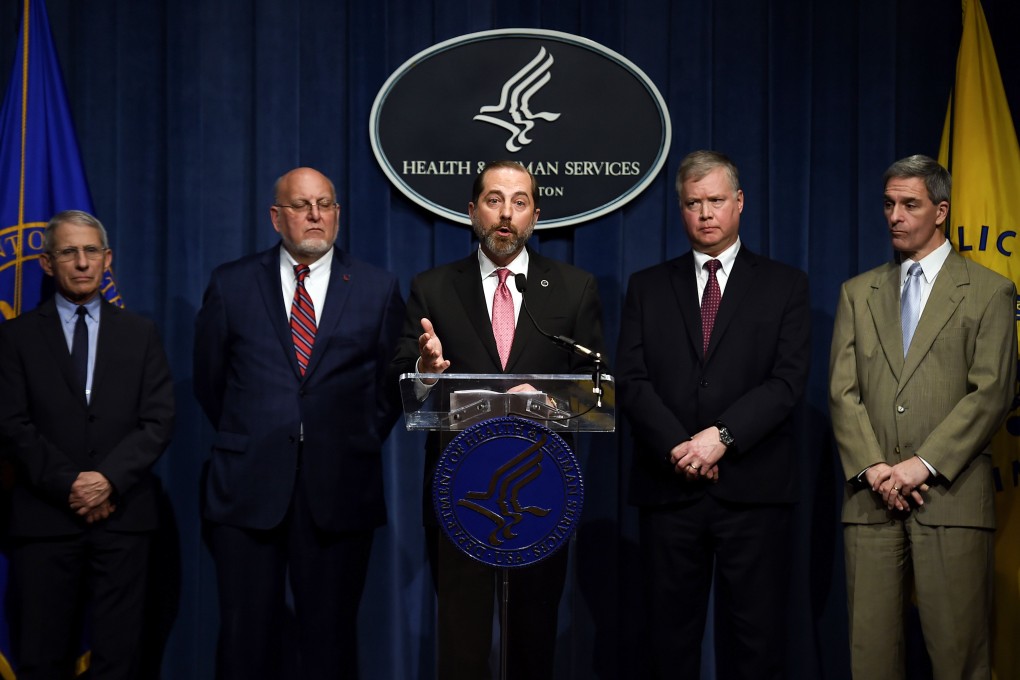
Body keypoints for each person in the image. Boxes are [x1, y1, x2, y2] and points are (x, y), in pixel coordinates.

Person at [389, 160, 605, 679]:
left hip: (542, 497)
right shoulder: (433, 288)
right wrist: (424, 370)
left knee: (532, 644)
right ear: (471, 211)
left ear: (535, 215)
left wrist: (549, 405)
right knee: (461, 649)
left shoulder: (573, 288)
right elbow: (401, 377)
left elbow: (596, 390)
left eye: (519, 202)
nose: (506, 214)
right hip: (456, 493)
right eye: (493, 200)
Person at [193, 167, 405, 679]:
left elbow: (390, 389)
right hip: (248, 489)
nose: (315, 215)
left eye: (325, 204)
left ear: (337, 213)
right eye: (302, 205)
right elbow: (210, 382)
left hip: (339, 490)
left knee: (330, 643)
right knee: (245, 640)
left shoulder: (378, 288)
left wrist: (347, 441)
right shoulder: (231, 283)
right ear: (276, 217)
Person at [616, 150, 811, 679]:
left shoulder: (785, 285)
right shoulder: (646, 286)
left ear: (740, 203)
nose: (705, 213)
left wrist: (720, 437)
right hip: (669, 487)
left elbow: (787, 382)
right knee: (667, 642)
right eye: (693, 203)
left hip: (754, 491)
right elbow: (630, 382)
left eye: (716, 201)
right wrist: (682, 448)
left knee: (755, 643)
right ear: (680, 210)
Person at [829, 154, 1015, 679]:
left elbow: (992, 392)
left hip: (950, 498)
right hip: (870, 498)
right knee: (870, 657)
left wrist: (922, 464)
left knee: (959, 657)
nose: (895, 215)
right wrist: (875, 468)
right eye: (888, 204)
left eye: (909, 204)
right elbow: (843, 394)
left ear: (941, 210)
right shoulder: (856, 293)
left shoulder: (989, 291)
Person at [0, 210, 175, 679]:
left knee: (120, 660)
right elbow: (11, 423)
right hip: (44, 520)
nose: (81, 262)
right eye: (69, 252)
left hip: (124, 521)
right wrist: (71, 486)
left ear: (107, 259)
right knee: (41, 658)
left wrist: (108, 481)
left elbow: (158, 420)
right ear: (47, 263)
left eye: (91, 251)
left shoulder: (141, 334)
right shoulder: (14, 337)